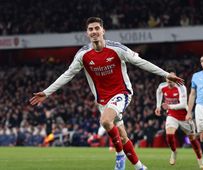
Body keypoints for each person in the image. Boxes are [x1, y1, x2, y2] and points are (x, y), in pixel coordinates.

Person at [29, 17, 183, 170]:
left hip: (122, 93)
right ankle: (140, 167)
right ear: (87, 33)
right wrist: (47, 92)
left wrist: (165, 74)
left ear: (103, 30)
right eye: (91, 29)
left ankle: (119, 155)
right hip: (102, 100)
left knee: (105, 121)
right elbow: (67, 75)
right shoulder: (83, 55)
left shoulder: (117, 49)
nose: (94, 31)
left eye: (97, 28)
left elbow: (141, 62)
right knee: (122, 137)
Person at [155, 69, 203, 168]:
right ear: (166, 78)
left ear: (175, 79)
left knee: (192, 139)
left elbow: (182, 104)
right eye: (168, 78)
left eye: (172, 78)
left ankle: (199, 158)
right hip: (172, 115)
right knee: (169, 134)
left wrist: (168, 106)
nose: (169, 80)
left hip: (184, 116)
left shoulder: (181, 87)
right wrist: (158, 106)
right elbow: (158, 92)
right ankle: (174, 151)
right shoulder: (162, 86)